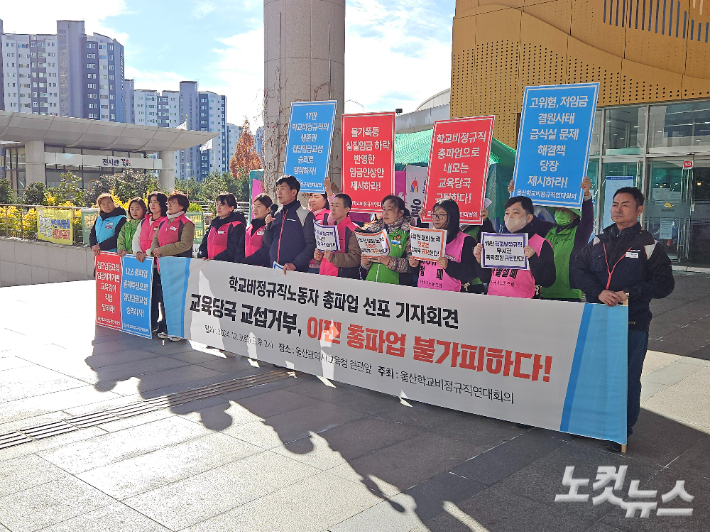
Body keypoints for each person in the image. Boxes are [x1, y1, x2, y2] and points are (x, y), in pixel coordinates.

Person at [570, 187, 674, 450]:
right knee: (593, 373)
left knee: (625, 377)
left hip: (632, 321)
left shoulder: (648, 245)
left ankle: (620, 430)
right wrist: (598, 292)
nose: (617, 209)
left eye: (625, 205)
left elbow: (664, 284)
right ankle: (591, 423)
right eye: (615, 204)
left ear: (639, 210)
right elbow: (577, 269)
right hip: (598, 318)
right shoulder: (599, 240)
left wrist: (627, 294)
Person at [474, 196, 556, 297]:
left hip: (522, 304)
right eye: (507, 213)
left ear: (529, 218)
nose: (510, 217)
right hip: (494, 301)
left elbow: (548, 280)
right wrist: (479, 260)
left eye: (516, 213)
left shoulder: (541, 244)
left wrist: (533, 258)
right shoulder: (499, 242)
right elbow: (485, 278)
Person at [243, 175, 316, 272]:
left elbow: (311, 245)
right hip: (275, 270)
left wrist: (295, 264)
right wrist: (267, 227)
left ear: (294, 192)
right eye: (277, 189)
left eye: (282, 189)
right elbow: (269, 243)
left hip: (296, 272)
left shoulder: (305, 215)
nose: (279, 192)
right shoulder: (276, 214)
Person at [148, 191, 195, 341]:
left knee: (177, 300)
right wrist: (155, 250)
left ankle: (179, 331)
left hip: (178, 266)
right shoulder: (163, 222)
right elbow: (156, 240)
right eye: (168, 203)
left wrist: (161, 251)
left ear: (181, 206)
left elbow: (184, 244)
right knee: (165, 298)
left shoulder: (186, 223)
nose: (169, 205)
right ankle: (167, 326)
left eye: (172, 203)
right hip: (163, 266)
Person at [540, 176, 595, 301]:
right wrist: (515, 195)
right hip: (543, 292)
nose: (560, 212)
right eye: (558, 209)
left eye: (565, 210)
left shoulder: (579, 234)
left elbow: (587, 220)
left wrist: (586, 196)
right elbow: (526, 220)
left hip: (568, 295)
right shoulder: (548, 230)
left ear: (575, 215)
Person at [408, 199, 478, 292]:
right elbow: (422, 271)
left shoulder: (466, 241)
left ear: (452, 216)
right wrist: (415, 265)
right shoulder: (427, 237)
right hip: (424, 294)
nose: (436, 218)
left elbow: (473, 272)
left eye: (441, 215)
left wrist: (449, 266)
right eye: (434, 214)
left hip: (451, 298)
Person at [134, 192, 168, 334]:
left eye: (156, 202)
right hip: (145, 264)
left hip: (158, 264)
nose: (152, 205)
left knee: (161, 296)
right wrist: (137, 252)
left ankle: (164, 324)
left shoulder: (165, 221)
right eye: (151, 202)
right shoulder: (144, 220)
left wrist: (147, 253)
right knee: (150, 296)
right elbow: (136, 238)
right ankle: (152, 323)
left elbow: (159, 241)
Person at [359, 195, 412, 285]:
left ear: (400, 213)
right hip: (371, 284)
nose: (385, 213)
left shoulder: (407, 233)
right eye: (384, 209)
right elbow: (367, 266)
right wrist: (365, 262)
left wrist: (390, 262)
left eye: (390, 209)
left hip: (395, 288)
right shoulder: (374, 231)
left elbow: (412, 266)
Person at [314, 194, 361, 278]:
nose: (333, 209)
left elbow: (355, 258)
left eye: (337, 206)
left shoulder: (353, 230)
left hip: (341, 280)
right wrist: (319, 257)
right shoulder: (328, 227)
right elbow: (324, 256)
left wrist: (332, 257)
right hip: (323, 276)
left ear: (347, 209)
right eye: (332, 205)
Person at [197, 193, 246, 263]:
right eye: (217, 204)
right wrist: (202, 255)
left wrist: (216, 259)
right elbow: (204, 244)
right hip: (209, 265)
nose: (218, 207)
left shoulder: (237, 225)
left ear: (231, 208)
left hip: (225, 267)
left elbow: (233, 250)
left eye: (222, 205)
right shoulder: (214, 223)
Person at [460, 201, 495, 294]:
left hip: (475, 281)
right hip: (452, 280)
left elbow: (490, 242)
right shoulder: (448, 227)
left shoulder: (480, 227)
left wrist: (485, 221)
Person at [245, 193, 272, 264]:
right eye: (254, 207)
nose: (255, 210)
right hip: (245, 268)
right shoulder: (249, 228)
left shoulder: (270, 227)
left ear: (268, 209)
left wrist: (248, 261)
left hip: (261, 269)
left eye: (258, 206)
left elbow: (266, 250)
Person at [307, 191, 330, 273]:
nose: (312, 200)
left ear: (325, 200)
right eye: (310, 196)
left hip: (319, 265)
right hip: (303, 262)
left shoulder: (328, 216)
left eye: (316, 197)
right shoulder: (306, 213)